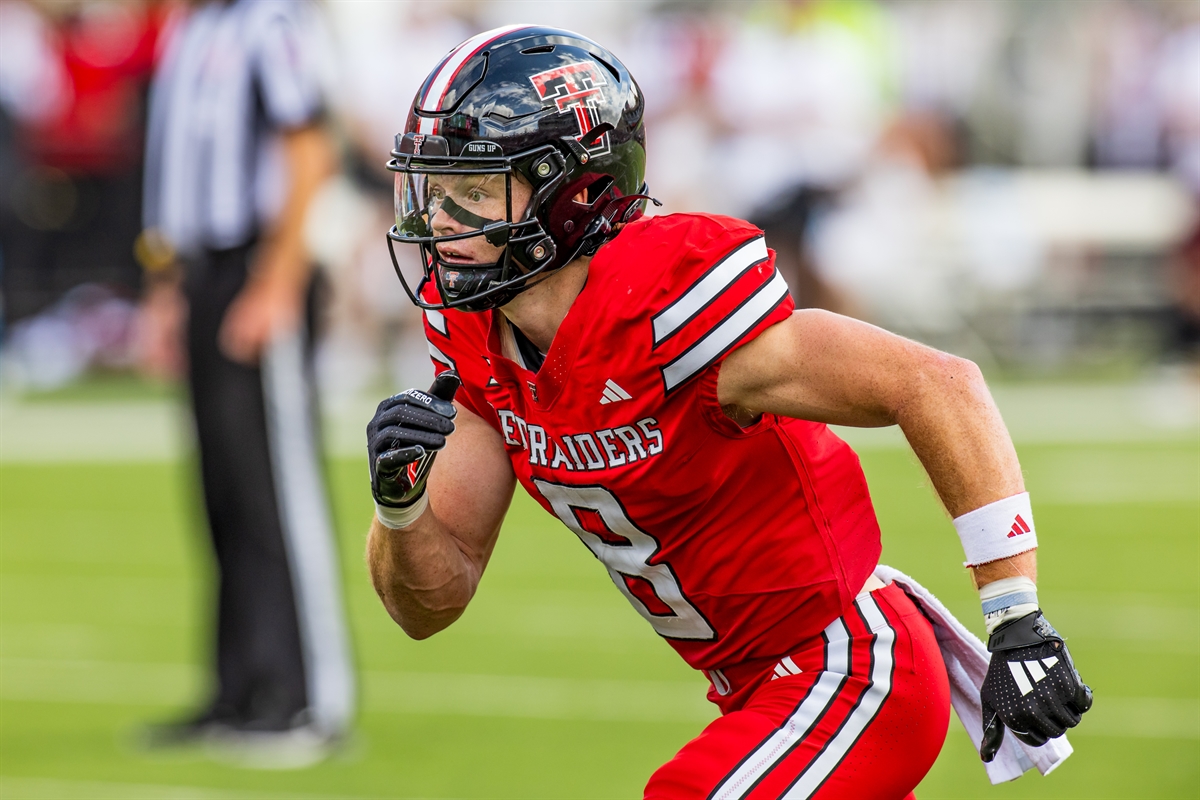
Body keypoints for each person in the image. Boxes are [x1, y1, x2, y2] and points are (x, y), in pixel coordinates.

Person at [366, 26, 1091, 798]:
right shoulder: (472, 333)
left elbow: (936, 384)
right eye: (437, 190)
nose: (441, 220)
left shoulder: (667, 301)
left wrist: (1016, 616)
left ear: (572, 192)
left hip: (849, 667)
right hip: (760, 688)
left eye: (474, 191)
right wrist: (400, 509)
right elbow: (429, 606)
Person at [138, 0, 353, 760]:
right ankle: (240, 689)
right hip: (200, 272)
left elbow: (310, 153)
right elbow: (177, 161)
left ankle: (304, 699)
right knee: (222, 493)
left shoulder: (273, 23)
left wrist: (276, 281)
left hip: (257, 269)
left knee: (275, 493)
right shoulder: (190, 26)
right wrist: (167, 287)